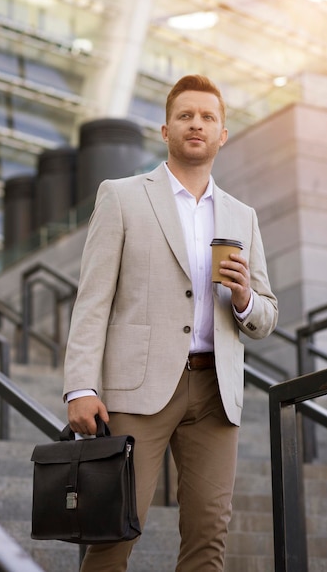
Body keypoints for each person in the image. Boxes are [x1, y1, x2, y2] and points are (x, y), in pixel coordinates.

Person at [63, 74, 278, 572]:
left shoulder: (241, 216)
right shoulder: (121, 196)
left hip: (215, 394)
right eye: (185, 116)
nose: (196, 124)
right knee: (114, 531)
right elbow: (93, 300)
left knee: (209, 537)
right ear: (165, 129)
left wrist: (245, 297)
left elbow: (265, 315)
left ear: (222, 135)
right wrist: (79, 387)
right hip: (138, 388)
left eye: (207, 117)